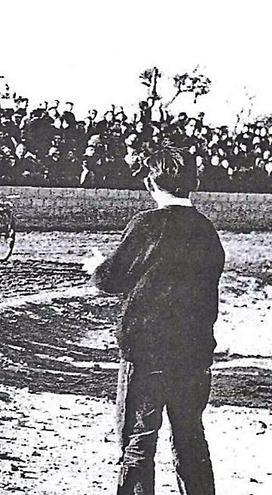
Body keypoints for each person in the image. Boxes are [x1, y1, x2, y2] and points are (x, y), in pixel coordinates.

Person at [83, 145, 223, 495]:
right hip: (193, 354)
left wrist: (95, 267)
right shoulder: (207, 231)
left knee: (138, 444)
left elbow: (111, 281)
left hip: (146, 353)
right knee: (191, 440)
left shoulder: (147, 224)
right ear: (193, 183)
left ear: (151, 183)